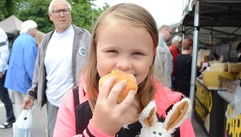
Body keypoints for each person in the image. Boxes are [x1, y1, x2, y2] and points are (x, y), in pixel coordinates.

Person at [53, 3, 195, 137]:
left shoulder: (174, 109)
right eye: (112, 51)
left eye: (137, 53)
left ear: (152, 56)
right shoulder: (74, 102)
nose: (124, 64)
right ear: (95, 52)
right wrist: (98, 131)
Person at [21, 0, 91, 137]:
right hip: (53, 101)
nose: (61, 14)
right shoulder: (46, 40)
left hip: (78, 101)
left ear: (70, 13)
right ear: (50, 16)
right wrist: (32, 94)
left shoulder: (84, 36)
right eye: (57, 11)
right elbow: (39, 69)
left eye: (65, 10)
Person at [4, 20, 38, 118]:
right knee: (30, 103)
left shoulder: (18, 39)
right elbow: (30, 63)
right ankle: (24, 126)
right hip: (24, 79)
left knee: (19, 105)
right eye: (35, 29)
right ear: (31, 29)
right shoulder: (30, 41)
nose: (36, 31)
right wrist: (34, 80)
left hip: (14, 78)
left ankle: (19, 128)